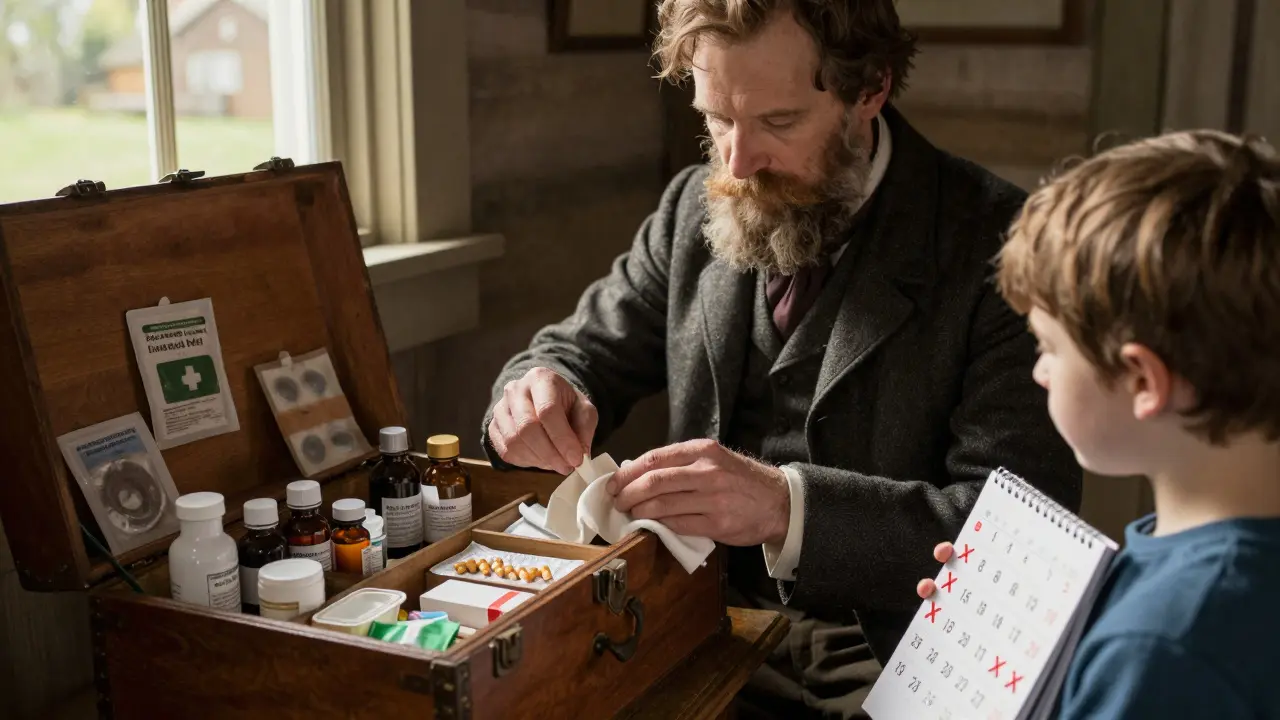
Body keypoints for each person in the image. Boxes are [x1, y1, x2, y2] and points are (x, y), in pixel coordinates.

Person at [482, 1, 1079, 716]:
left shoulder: (1004, 248)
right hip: (693, 618)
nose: (736, 162)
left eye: (779, 122)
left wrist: (785, 508)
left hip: (897, 653)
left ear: (871, 90)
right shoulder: (689, 207)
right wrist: (533, 391)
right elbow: (575, 351)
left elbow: (1019, 540)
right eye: (717, 118)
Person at [916, 130, 1280, 717]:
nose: (1039, 373)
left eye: (1050, 348)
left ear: (1142, 381)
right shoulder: (1202, 562)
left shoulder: (1162, 646)